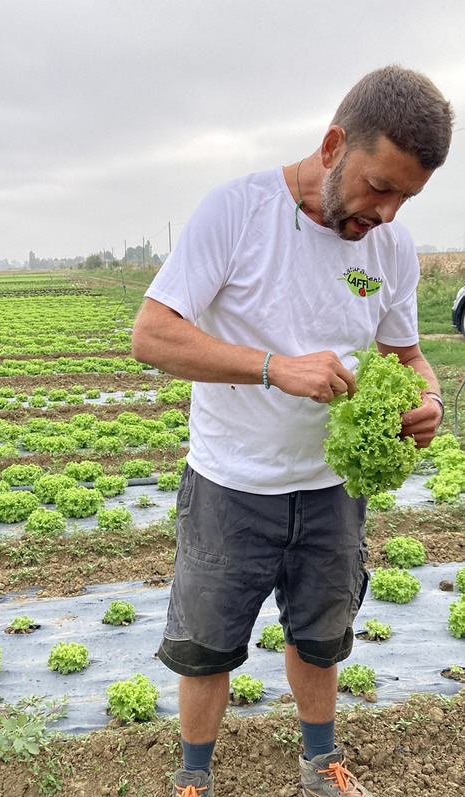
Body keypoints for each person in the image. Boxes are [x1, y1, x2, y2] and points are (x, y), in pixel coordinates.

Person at [131, 65, 453, 797]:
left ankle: (319, 766)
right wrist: (273, 367)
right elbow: (152, 335)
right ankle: (193, 778)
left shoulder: (389, 248)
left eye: (405, 197)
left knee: (320, 637)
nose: (388, 212)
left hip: (331, 492)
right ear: (334, 146)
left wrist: (429, 397)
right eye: (379, 186)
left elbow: (406, 355)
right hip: (230, 483)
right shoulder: (237, 212)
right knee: (206, 647)